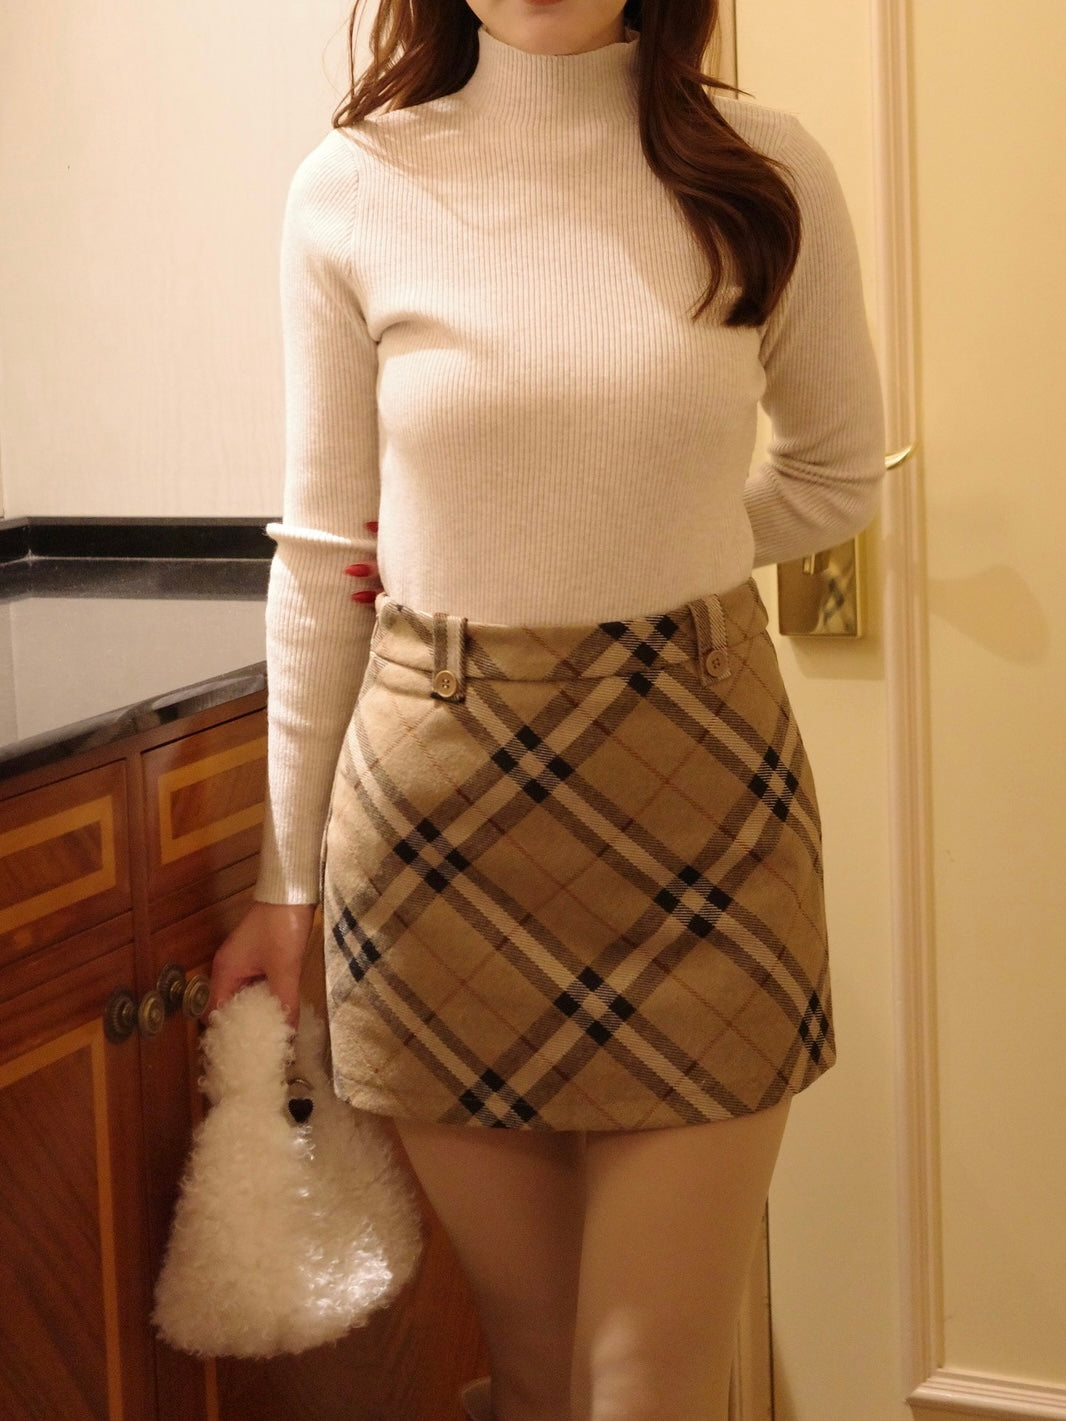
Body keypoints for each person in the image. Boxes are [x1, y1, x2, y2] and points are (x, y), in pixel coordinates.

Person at [208, 0, 885, 1416]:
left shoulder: (763, 168)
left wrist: (651, 547)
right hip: (432, 824)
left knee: (645, 1384)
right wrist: (285, 882)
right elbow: (325, 557)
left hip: (701, 798)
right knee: (530, 1368)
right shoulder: (354, 186)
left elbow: (833, 476)